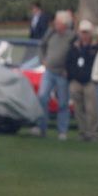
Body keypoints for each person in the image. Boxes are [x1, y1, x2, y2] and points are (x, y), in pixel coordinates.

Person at [30, 10, 74, 139]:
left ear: (64, 24)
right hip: (49, 72)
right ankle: (41, 127)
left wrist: (69, 69)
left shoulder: (71, 37)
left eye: (58, 21)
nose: (55, 23)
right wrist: (43, 59)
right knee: (42, 97)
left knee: (63, 103)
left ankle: (62, 131)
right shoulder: (50, 33)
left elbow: (74, 55)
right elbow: (41, 47)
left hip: (62, 74)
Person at [66, 19, 98, 141]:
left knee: (92, 109)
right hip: (75, 81)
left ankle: (94, 133)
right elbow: (69, 61)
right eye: (82, 32)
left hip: (90, 81)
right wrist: (70, 75)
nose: (84, 34)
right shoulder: (74, 46)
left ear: (91, 33)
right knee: (78, 109)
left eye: (86, 32)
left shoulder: (96, 47)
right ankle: (83, 133)